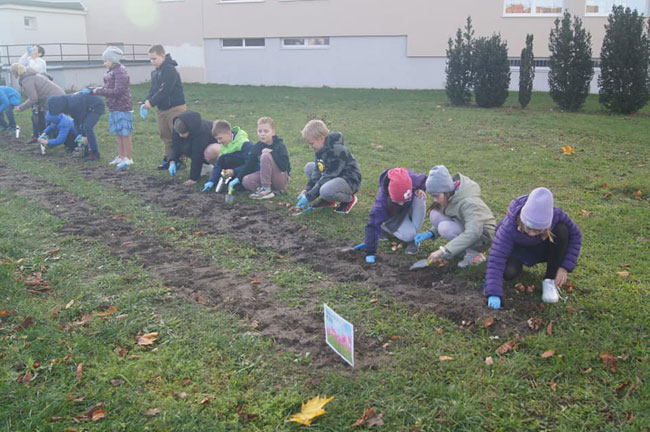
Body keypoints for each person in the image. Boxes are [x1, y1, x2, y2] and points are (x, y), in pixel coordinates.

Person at [484, 187, 582, 310]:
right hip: (518, 251)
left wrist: (564, 267)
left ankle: (549, 281)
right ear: (521, 220)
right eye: (529, 229)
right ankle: (497, 277)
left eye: (538, 230)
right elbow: (496, 259)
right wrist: (493, 293)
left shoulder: (556, 215)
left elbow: (576, 235)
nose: (532, 234)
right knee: (508, 273)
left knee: (562, 231)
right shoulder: (508, 228)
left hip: (542, 249)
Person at [420, 165, 497, 268]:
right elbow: (452, 216)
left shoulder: (469, 203)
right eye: (432, 196)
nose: (434, 200)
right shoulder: (451, 195)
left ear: (446, 191)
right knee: (435, 215)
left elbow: (473, 232)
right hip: (466, 226)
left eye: (436, 196)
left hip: (482, 236)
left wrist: (444, 250)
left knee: (445, 228)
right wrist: (431, 233)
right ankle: (459, 250)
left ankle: (474, 254)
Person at [296, 119, 362, 214]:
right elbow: (317, 170)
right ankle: (328, 201)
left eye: (311, 143)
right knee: (309, 167)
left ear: (321, 138)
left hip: (349, 179)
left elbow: (328, 176)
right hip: (334, 176)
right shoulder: (320, 148)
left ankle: (349, 199)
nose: (310, 147)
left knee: (325, 190)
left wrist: (309, 197)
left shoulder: (336, 150)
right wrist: (307, 189)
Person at [364, 168, 427, 263]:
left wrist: (421, 189)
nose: (401, 203)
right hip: (393, 216)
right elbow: (372, 225)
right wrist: (370, 252)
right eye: (398, 201)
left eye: (404, 200)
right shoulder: (381, 204)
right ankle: (384, 227)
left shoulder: (412, 179)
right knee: (409, 235)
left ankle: (413, 240)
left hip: (407, 210)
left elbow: (424, 179)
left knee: (420, 198)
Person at [220, 116, 291, 200]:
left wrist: (272, 153)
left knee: (265, 155)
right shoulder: (257, 147)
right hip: (265, 177)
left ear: (273, 132)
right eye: (260, 131)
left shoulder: (279, 145)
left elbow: (284, 167)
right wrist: (237, 179)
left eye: (266, 131)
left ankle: (266, 189)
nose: (262, 134)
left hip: (280, 177)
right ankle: (274, 192)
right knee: (246, 180)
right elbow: (249, 165)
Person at [141, 45, 186, 170]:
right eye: (150, 59)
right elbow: (154, 89)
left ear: (163, 55)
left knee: (177, 134)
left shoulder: (170, 70)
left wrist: (152, 101)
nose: (152, 62)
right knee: (165, 135)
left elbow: (165, 90)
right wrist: (147, 100)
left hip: (175, 107)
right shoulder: (155, 72)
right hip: (162, 109)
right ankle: (168, 158)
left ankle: (180, 160)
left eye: (154, 59)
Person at [92, 46, 134, 167]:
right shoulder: (110, 71)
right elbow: (107, 87)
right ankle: (121, 156)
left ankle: (128, 158)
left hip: (123, 107)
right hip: (113, 107)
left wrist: (99, 91)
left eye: (106, 60)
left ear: (113, 60)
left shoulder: (121, 72)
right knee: (118, 133)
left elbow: (118, 91)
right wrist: (97, 89)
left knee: (125, 133)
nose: (104, 63)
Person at [10, 63, 64, 143]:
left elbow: (33, 98)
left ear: (15, 72)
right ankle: (40, 137)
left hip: (54, 99)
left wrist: (20, 107)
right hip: (54, 96)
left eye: (12, 72)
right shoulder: (30, 75)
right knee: (37, 116)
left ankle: (52, 139)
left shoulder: (27, 80)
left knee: (50, 118)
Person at [46, 92, 106, 161]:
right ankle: (84, 150)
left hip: (95, 106)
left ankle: (94, 153)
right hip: (84, 108)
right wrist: (79, 135)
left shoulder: (73, 103)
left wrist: (83, 135)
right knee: (77, 128)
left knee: (87, 127)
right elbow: (76, 118)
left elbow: (82, 117)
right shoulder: (65, 104)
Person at [168, 110, 216, 185]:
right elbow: (175, 145)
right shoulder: (177, 127)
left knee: (209, 152)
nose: (180, 135)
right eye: (179, 133)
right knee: (186, 147)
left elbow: (197, 154)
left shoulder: (202, 132)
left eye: (183, 133)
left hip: (213, 146)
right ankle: (204, 167)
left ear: (190, 129)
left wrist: (193, 178)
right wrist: (172, 161)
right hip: (197, 146)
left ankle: (215, 167)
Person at [203, 120, 253, 192]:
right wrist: (211, 181)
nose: (218, 142)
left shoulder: (245, 144)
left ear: (229, 133)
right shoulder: (224, 145)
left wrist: (234, 171)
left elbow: (250, 165)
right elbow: (219, 164)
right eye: (217, 139)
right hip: (234, 172)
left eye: (220, 138)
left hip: (246, 173)